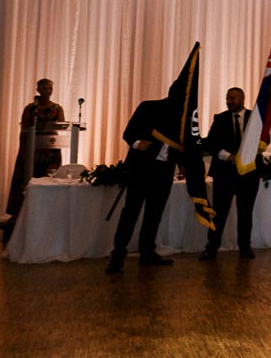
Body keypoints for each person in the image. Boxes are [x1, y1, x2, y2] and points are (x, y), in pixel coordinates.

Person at [105, 95, 184, 273]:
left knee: (154, 214)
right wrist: (137, 143)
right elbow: (128, 133)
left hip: (164, 171)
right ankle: (117, 256)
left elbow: (181, 144)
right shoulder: (149, 107)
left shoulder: (184, 116)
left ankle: (147, 253)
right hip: (142, 168)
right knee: (131, 212)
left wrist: (183, 164)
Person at [199, 87, 262, 260]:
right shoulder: (220, 119)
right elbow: (212, 143)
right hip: (225, 174)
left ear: (242, 98)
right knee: (219, 212)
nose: (229, 101)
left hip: (248, 174)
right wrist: (229, 157)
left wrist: (248, 155)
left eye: (232, 98)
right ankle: (211, 248)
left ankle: (245, 247)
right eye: (227, 98)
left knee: (245, 212)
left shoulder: (255, 118)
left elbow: (264, 140)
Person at [5, 78, 67, 224]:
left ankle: (47, 211)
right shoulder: (30, 108)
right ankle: (23, 213)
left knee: (48, 177)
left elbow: (62, 126)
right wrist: (23, 149)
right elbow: (24, 128)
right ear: (38, 90)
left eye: (50, 88)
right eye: (45, 88)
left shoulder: (57, 108)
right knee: (27, 178)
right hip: (32, 148)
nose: (48, 91)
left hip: (50, 149)